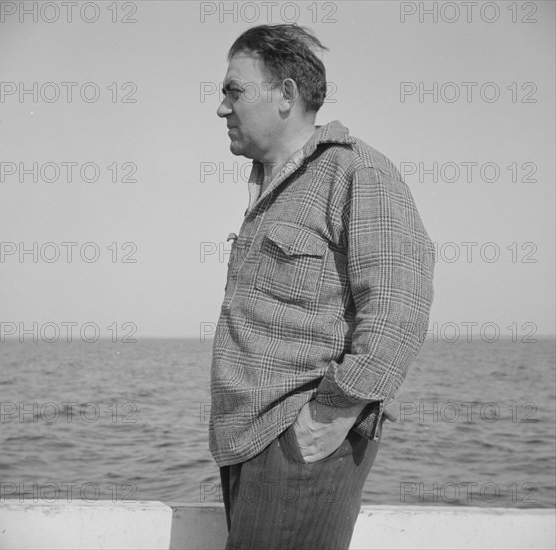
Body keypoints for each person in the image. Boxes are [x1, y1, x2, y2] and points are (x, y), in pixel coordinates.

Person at [209, 24, 435, 550]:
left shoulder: (357, 172)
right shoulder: (272, 189)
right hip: (251, 444)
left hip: (301, 441)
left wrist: (325, 418)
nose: (222, 108)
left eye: (233, 90)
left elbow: (398, 309)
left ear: (285, 94)